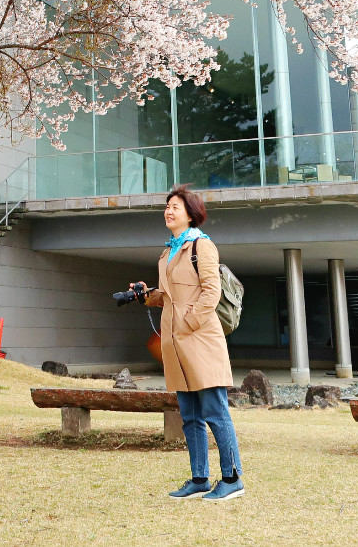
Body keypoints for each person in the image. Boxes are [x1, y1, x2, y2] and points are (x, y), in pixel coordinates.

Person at [130, 184, 243, 501]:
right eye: (166, 206)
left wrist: (189, 322)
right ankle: (199, 478)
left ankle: (233, 478)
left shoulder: (201, 246)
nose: (168, 211)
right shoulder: (168, 252)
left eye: (175, 207)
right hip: (176, 345)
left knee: (214, 410)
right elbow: (166, 297)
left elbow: (211, 292)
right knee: (190, 414)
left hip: (200, 341)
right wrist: (143, 296)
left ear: (191, 213)